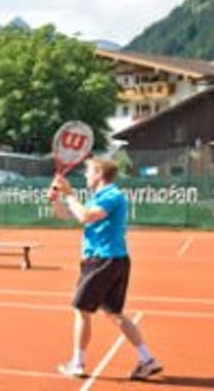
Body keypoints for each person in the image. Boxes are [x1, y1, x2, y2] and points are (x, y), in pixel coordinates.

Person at [48, 158, 163, 380]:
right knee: (114, 313)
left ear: (99, 173)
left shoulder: (113, 195)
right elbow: (67, 215)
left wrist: (69, 194)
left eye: (88, 172)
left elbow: (85, 216)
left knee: (81, 310)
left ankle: (78, 364)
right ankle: (147, 359)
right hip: (111, 261)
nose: (85, 175)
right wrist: (56, 200)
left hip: (103, 261)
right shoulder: (98, 198)